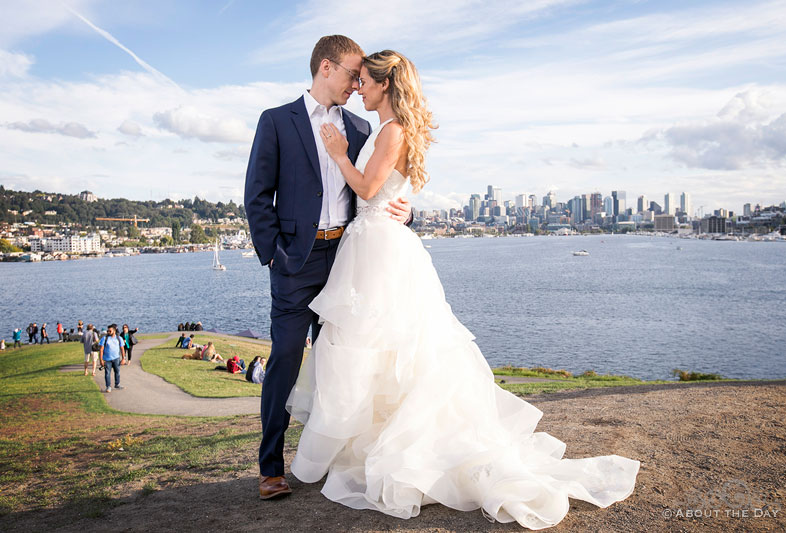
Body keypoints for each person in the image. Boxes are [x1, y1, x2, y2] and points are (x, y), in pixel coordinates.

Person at [282, 50, 641, 529]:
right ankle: (372, 442)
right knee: (373, 349)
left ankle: (403, 451)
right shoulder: (385, 129)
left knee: (383, 346)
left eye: (365, 82)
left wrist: (339, 155)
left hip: (378, 249)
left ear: (385, 85)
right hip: (370, 244)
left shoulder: (389, 132)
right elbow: (382, 192)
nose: (359, 89)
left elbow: (369, 190)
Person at [245, 34, 413, 502]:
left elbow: (381, 184)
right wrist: (275, 253)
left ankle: (327, 461)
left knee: (345, 365)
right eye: (351, 73)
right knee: (283, 361)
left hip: (348, 262)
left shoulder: (362, 127)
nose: (358, 83)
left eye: (363, 77)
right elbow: (256, 197)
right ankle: (271, 468)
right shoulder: (277, 121)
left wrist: (408, 213)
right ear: (325, 68)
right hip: (294, 264)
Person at [98, 324, 125, 393]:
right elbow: (101, 349)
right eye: (107, 331)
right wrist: (101, 360)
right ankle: (108, 386)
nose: (108, 332)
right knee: (107, 373)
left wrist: (123, 358)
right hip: (107, 360)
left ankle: (117, 384)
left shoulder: (119, 338)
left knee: (117, 372)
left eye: (110, 331)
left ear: (114, 331)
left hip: (116, 358)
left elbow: (122, 348)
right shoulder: (105, 338)